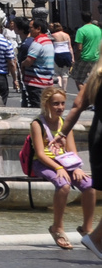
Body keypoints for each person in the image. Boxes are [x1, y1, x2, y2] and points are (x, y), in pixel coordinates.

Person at [29, 84, 96, 250]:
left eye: (62, 103)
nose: (60, 107)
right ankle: (57, 227)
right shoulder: (37, 124)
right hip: (43, 163)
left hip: (65, 162)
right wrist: (58, 169)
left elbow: (72, 150)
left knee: (89, 185)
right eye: (55, 104)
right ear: (46, 104)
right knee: (63, 185)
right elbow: (41, 153)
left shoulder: (64, 123)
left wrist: (78, 167)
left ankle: (86, 228)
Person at [61, 62, 102, 258]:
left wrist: (63, 133)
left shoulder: (96, 76)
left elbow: (78, 105)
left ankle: (95, 238)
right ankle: (95, 239)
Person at [24, 17, 58, 106]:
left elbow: (29, 61)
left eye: (31, 28)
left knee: (37, 108)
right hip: (47, 81)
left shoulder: (37, 43)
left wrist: (22, 63)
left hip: (37, 82)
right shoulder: (48, 41)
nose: (29, 30)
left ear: (38, 28)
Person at [75, 13, 102, 91]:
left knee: (78, 80)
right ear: (91, 18)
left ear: (82, 19)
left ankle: (83, 96)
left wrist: (76, 58)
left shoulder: (81, 30)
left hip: (84, 57)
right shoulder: (98, 29)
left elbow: (79, 48)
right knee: (94, 79)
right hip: (96, 57)